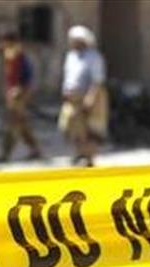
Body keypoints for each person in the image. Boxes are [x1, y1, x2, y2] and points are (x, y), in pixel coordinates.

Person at [58, 25, 107, 167]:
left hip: (87, 96)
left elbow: (97, 81)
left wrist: (90, 98)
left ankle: (89, 158)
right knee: (73, 127)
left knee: (89, 129)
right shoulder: (71, 56)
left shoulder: (94, 57)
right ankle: (79, 153)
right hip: (72, 97)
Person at [0, 32, 43, 163]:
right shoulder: (8, 56)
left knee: (12, 125)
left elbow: (28, 78)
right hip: (12, 94)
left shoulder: (21, 58)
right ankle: (35, 150)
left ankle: (5, 154)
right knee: (22, 125)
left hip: (20, 95)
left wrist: (20, 90)